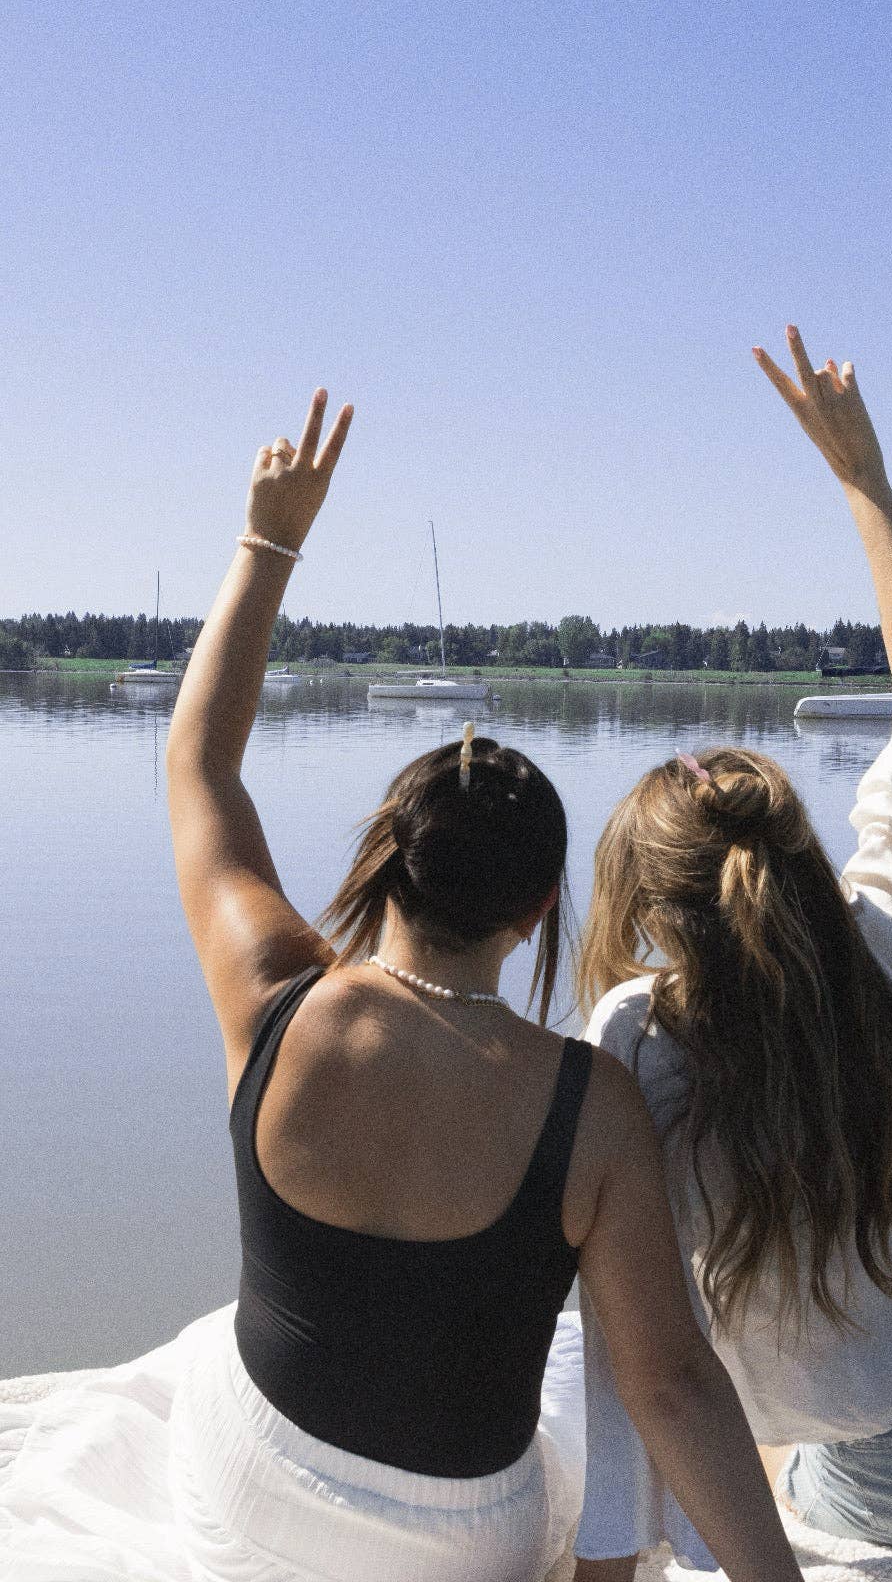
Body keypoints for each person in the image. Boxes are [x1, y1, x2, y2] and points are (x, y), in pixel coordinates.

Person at [161, 389, 805, 1582]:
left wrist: (269, 539)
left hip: (259, 1505)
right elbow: (666, 1383)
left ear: (387, 859)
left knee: (208, 1354)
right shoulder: (593, 1104)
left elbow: (198, 757)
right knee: (568, 1403)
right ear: (537, 910)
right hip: (458, 1544)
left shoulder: (272, 995)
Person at [573, 328, 892, 1579]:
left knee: (798, 1445)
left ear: (638, 902)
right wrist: (863, 478)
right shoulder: (888, 939)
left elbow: (651, 1373)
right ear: (794, 853)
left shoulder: (633, 1045)